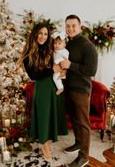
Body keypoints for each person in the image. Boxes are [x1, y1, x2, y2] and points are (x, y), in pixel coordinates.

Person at [19, 22, 68, 162]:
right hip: (42, 88)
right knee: (43, 117)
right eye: (40, 33)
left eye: (45, 34)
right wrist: (51, 69)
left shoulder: (50, 49)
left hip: (54, 87)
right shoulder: (29, 54)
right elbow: (34, 76)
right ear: (35, 34)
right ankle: (44, 146)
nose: (43, 36)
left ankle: (48, 143)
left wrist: (62, 69)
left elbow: (61, 60)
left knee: (51, 116)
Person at [60, 15, 98, 167]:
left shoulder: (87, 46)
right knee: (75, 119)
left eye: (73, 26)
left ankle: (84, 156)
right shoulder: (69, 43)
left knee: (83, 123)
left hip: (81, 90)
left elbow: (91, 70)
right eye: (67, 26)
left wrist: (70, 65)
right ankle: (78, 143)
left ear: (80, 27)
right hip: (69, 88)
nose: (70, 29)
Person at [51, 31, 69, 95]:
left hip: (60, 66)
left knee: (55, 78)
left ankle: (60, 88)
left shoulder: (64, 51)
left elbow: (64, 59)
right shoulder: (55, 51)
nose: (57, 45)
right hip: (55, 67)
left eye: (59, 43)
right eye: (55, 43)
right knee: (54, 77)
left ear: (64, 45)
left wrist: (56, 61)